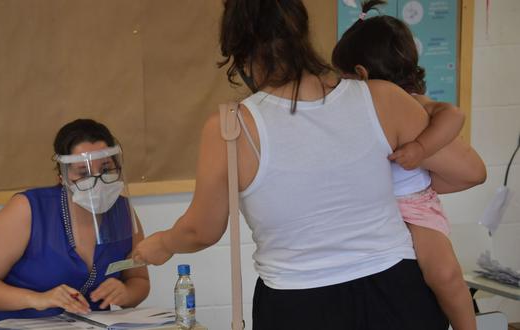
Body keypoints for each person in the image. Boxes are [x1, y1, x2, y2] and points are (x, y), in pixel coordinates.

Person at [133, 1, 486, 329]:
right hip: (397, 292)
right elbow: (469, 171)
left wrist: (163, 243)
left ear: (237, 49)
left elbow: (201, 230)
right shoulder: (383, 97)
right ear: (302, 29)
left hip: (299, 303)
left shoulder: (232, 128)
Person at [332, 1, 481, 329]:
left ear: (361, 74)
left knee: (444, 274)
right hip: (372, 213)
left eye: (342, 78)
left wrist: (420, 146)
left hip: (415, 208)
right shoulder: (352, 111)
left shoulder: (413, 103)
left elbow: (454, 115)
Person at [0, 119, 150, 323]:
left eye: (106, 169)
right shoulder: (28, 210)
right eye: (83, 172)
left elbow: (138, 280)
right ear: (63, 176)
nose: (97, 180)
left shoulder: (122, 211)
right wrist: (38, 299)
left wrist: (127, 293)